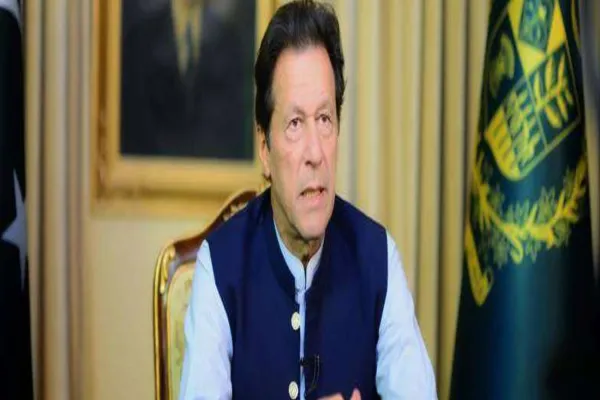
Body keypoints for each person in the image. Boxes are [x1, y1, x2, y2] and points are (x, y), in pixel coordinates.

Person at [179, 1, 437, 398]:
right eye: (295, 123)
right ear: (264, 147)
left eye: (325, 119)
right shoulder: (221, 266)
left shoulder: (377, 257)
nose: (315, 153)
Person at [120, 0, 255, 160]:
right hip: (151, 168)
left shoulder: (230, 41)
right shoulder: (140, 38)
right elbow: (134, 122)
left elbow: (235, 126)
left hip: (212, 167)